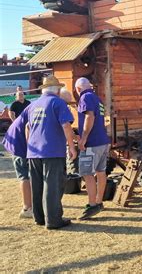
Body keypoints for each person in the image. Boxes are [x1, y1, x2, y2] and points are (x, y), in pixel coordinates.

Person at [25, 75, 76, 229]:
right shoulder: (58, 102)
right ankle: (53, 220)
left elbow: (27, 126)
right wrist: (72, 147)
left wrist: (30, 145)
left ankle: (39, 217)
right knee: (52, 185)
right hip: (52, 150)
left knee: (37, 185)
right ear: (57, 90)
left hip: (34, 152)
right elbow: (66, 126)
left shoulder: (33, 104)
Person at [74, 77, 111, 220]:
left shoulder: (85, 98)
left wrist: (83, 138)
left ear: (78, 89)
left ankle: (92, 205)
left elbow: (89, 117)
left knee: (86, 173)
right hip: (103, 141)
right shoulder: (97, 98)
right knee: (100, 172)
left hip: (92, 144)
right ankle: (99, 202)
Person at [2, 111, 32, 218]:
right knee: (24, 176)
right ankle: (27, 208)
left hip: (18, 140)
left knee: (27, 175)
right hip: (19, 144)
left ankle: (29, 204)